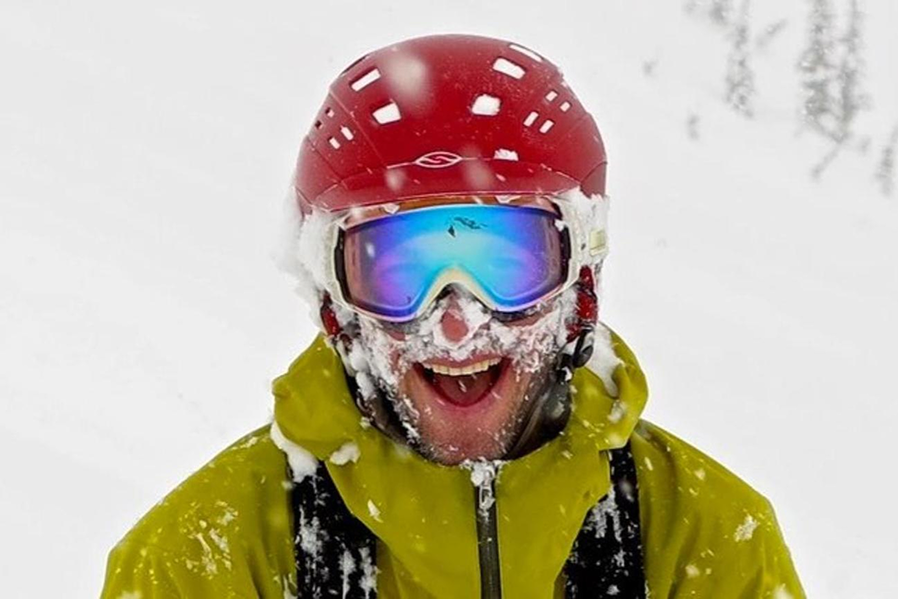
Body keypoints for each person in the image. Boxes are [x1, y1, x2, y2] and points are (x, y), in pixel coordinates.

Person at [102, 34, 805, 599]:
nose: (456, 324)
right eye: (397, 269)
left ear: (580, 284)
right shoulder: (207, 558)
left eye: (507, 263)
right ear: (334, 304)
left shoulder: (698, 537)